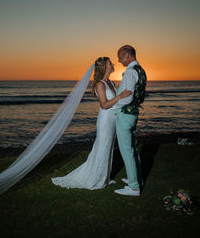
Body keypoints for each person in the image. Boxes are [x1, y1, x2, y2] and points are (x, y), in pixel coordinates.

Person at [51, 57, 131, 190]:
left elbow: (115, 102)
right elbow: (104, 105)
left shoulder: (111, 82)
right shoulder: (100, 84)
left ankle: (104, 177)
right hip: (105, 120)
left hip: (113, 119)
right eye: (110, 63)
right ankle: (96, 178)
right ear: (104, 67)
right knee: (103, 146)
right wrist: (120, 96)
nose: (112, 65)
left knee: (109, 147)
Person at [113, 45, 147, 196]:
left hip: (125, 115)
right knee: (132, 149)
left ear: (127, 55)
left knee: (127, 151)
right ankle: (137, 179)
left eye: (120, 56)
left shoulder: (130, 72)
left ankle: (134, 187)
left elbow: (128, 97)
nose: (119, 60)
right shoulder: (140, 70)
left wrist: (113, 105)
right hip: (133, 114)